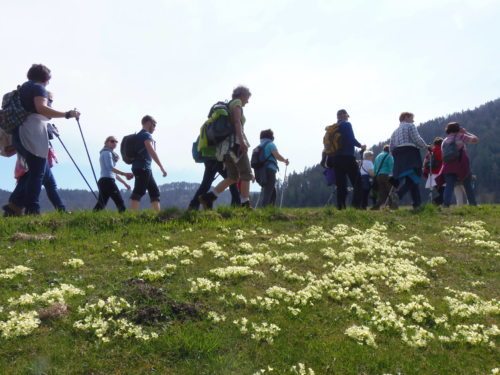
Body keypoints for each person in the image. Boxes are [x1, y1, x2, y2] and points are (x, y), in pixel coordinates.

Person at [3, 64, 80, 216]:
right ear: (46, 78)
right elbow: (41, 108)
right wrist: (67, 114)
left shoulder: (22, 89)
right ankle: (33, 209)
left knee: (43, 176)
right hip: (32, 134)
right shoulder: (38, 88)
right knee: (36, 174)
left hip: (19, 133)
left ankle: (15, 206)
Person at [199, 86, 253, 209]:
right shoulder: (237, 103)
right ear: (242, 95)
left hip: (224, 148)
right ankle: (245, 205)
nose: (247, 101)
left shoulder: (229, 104)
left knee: (233, 177)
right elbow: (237, 122)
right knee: (246, 173)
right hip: (235, 144)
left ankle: (208, 197)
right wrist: (242, 141)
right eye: (247, 98)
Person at [390, 112, 430, 209]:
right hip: (410, 153)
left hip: (398, 155)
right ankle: (398, 194)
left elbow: (391, 146)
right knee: (414, 176)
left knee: (410, 177)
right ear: (406, 117)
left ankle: (417, 203)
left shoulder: (395, 132)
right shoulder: (410, 126)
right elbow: (416, 139)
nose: (413, 120)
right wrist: (426, 146)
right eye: (412, 118)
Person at [129, 115, 167, 211]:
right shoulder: (146, 135)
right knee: (139, 191)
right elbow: (151, 151)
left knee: (154, 192)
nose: (154, 128)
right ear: (148, 122)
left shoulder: (137, 136)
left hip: (139, 167)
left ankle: (158, 216)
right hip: (143, 167)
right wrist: (161, 167)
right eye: (154, 125)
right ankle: (132, 217)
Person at [331, 109, 365, 210]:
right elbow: (351, 139)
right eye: (347, 115)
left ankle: (341, 206)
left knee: (341, 184)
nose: (347, 117)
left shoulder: (333, 128)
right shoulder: (347, 124)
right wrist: (360, 146)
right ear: (343, 115)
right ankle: (356, 206)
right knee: (357, 182)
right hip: (347, 157)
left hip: (335, 158)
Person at [439, 122, 479, 207]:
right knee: (467, 184)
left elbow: (443, 155)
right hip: (461, 164)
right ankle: (472, 204)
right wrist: (466, 132)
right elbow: (475, 139)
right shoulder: (460, 136)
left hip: (448, 165)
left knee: (449, 185)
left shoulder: (444, 141)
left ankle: (446, 204)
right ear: (457, 129)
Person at [94, 136, 134, 212]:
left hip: (104, 181)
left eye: (116, 142)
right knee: (120, 202)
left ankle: (89, 219)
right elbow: (110, 168)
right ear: (106, 143)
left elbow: (113, 173)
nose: (114, 143)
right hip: (108, 181)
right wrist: (125, 174)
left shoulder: (106, 153)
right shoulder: (107, 153)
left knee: (101, 204)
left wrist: (124, 183)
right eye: (112, 141)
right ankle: (124, 220)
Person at [257, 129, 289, 207]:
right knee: (268, 191)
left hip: (261, 171)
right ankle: (265, 210)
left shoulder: (259, 146)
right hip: (270, 170)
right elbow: (277, 155)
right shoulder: (270, 144)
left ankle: (271, 208)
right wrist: (285, 160)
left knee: (271, 191)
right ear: (270, 137)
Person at [371, 145, 395, 210]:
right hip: (387, 175)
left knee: (382, 193)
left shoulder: (378, 156)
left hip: (378, 176)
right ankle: (393, 206)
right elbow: (391, 166)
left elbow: (375, 167)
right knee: (390, 191)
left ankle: (377, 206)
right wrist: (393, 175)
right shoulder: (389, 156)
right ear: (389, 150)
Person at [423, 137, 444, 205]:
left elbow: (425, 163)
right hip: (439, 175)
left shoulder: (430, 152)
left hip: (431, 175)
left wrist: (425, 173)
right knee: (444, 193)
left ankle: (434, 204)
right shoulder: (441, 151)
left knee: (441, 192)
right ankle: (433, 203)